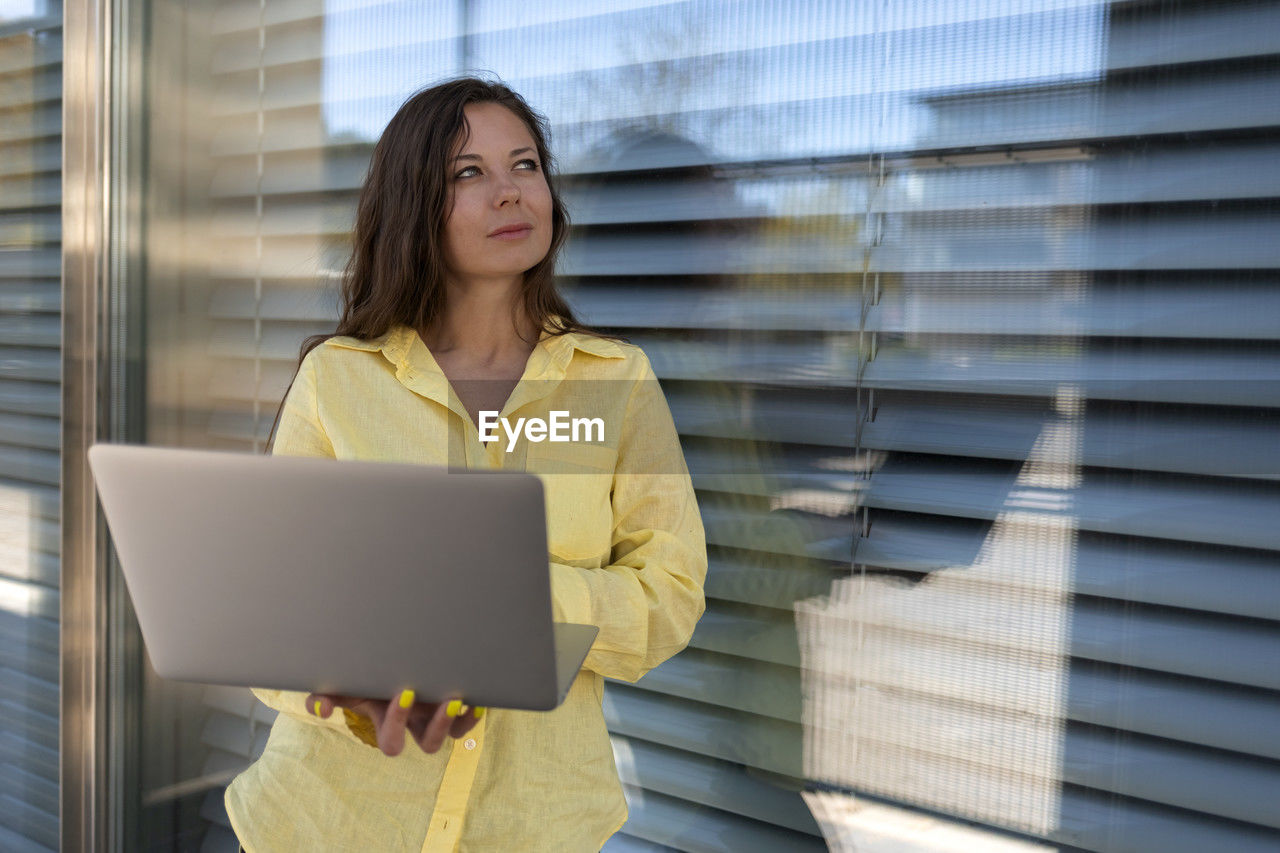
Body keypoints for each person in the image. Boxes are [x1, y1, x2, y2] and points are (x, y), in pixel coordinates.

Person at [223, 76, 708, 852]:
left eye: (525, 165)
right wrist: (348, 686)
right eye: (469, 173)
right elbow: (270, 613)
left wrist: (507, 595)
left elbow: (671, 597)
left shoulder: (616, 381)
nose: (511, 193)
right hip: (327, 821)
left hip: (536, 825)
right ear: (415, 202)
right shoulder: (340, 379)